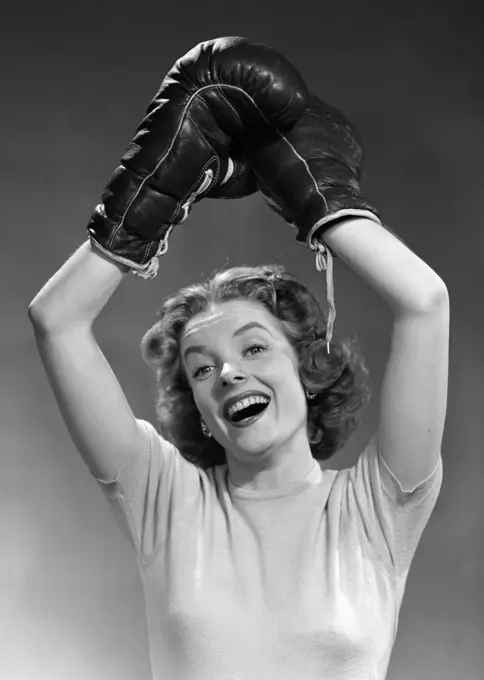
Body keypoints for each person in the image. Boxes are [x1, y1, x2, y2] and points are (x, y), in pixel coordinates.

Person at [28, 37, 450, 680]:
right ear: (195, 406)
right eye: (202, 368)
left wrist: (324, 202)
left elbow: (425, 303)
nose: (228, 373)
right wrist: (146, 196)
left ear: (306, 371)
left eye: (254, 347)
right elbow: (55, 322)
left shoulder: (380, 505)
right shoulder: (164, 499)